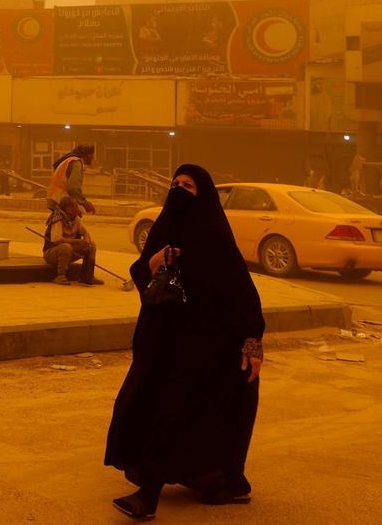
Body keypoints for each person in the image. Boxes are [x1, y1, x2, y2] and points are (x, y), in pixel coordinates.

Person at [105, 164, 264, 519]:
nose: (179, 190)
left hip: (206, 344)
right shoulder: (164, 230)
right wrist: (153, 264)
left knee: (173, 413)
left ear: (203, 194)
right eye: (175, 184)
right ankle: (215, 479)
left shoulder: (214, 236)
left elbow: (243, 293)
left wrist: (252, 344)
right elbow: (140, 273)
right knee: (150, 406)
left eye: (188, 186)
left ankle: (148, 495)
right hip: (160, 342)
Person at [43, 197, 103, 286]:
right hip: (52, 253)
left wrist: (86, 240)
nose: (77, 208)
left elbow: (85, 232)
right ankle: (60, 275)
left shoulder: (75, 219)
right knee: (66, 247)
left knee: (91, 246)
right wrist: (77, 241)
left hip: (69, 251)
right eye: (74, 206)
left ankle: (88, 276)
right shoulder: (57, 219)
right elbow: (57, 240)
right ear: (67, 208)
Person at [46, 142, 97, 216]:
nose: (93, 158)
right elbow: (73, 188)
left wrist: (76, 208)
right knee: (76, 226)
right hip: (61, 201)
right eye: (92, 155)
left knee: (73, 223)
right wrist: (85, 203)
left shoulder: (70, 161)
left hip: (55, 199)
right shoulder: (77, 164)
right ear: (88, 155)